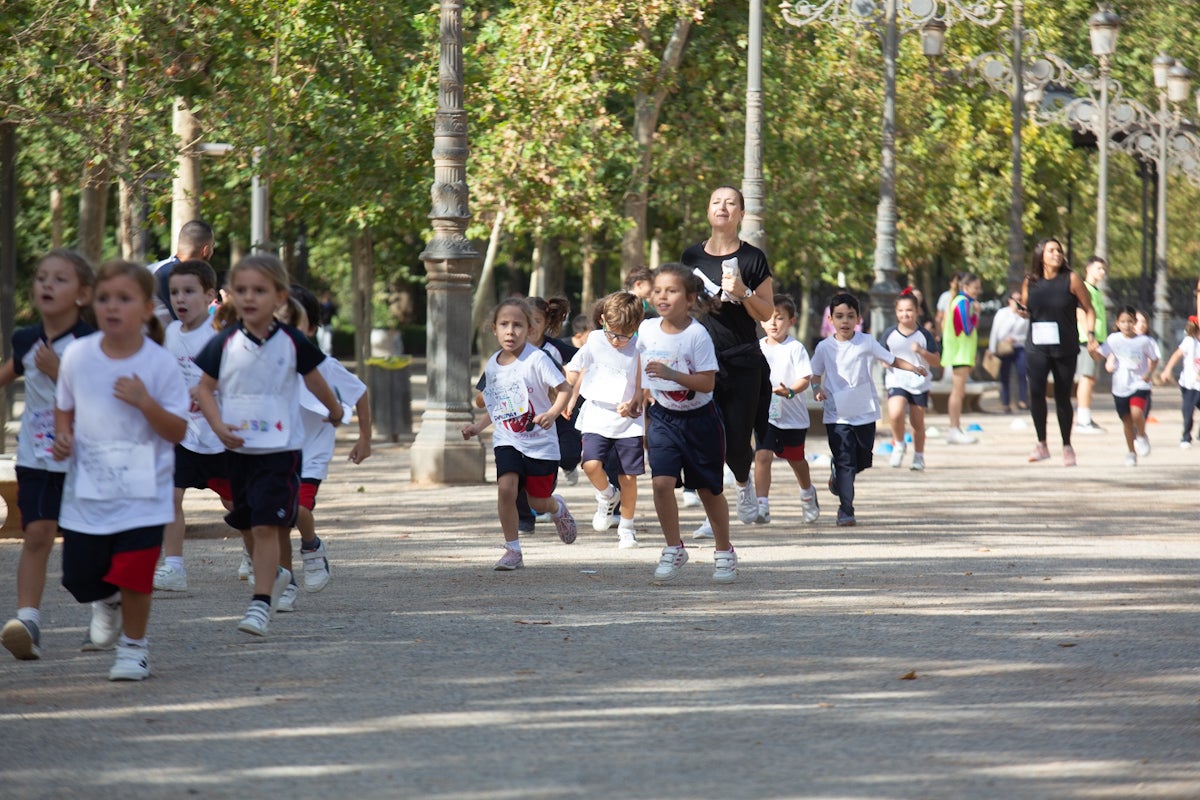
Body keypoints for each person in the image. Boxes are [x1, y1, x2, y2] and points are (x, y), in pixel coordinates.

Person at [192, 254, 343, 637]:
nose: (249, 297)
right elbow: (204, 389)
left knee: (265, 526)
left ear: (279, 297)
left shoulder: (292, 341)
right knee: (248, 522)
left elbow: (315, 378)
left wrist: (335, 408)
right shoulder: (224, 342)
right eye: (241, 290)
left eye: (259, 290)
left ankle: (260, 604)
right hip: (238, 453)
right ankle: (275, 577)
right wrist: (217, 425)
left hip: (280, 452)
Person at [53, 260, 189, 681]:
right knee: (79, 577)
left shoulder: (159, 363)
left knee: (134, 574)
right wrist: (63, 435)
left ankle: (134, 649)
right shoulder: (78, 355)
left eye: (124, 299)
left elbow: (178, 429)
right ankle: (107, 601)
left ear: (147, 308)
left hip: (144, 493)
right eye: (104, 298)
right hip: (89, 492)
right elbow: (64, 406)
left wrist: (145, 402)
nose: (112, 307)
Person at [0, 250, 95, 661]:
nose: (47, 285)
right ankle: (28, 623)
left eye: (59, 279)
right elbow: (9, 373)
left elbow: (104, 399)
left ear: (83, 294)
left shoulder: (92, 343)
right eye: (41, 278)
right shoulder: (26, 338)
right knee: (37, 533)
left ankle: (107, 606)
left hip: (85, 458)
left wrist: (60, 372)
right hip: (36, 455)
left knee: (86, 544)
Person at [681, 186, 774, 534]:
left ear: (741, 214)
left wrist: (743, 292)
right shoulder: (691, 256)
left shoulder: (753, 258)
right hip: (701, 362)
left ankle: (743, 481)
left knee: (736, 444)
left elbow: (767, 312)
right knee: (706, 440)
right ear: (708, 211)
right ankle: (713, 514)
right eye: (716, 202)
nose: (723, 207)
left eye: (731, 203)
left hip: (742, 360)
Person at [461, 298, 578, 570]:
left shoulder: (537, 359)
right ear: (494, 329)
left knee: (537, 501)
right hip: (508, 439)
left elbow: (564, 389)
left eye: (518, 325)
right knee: (506, 489)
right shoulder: (493, 364)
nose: (510, 331)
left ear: (529, 330)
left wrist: (552, 414)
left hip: (540, 443)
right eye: (504, 324)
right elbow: (498, 405)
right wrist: (477, 427)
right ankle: (513, 549)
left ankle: (557, 508)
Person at [637, 264, 736, 583]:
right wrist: (639, 394)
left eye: (672, 290)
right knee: (661, 483)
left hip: (700, 420)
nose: (662, 296)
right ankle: (673, 547)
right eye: (657, 291)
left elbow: (707, 383)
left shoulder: (697, 335)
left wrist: (672, 374)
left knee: (708, 490)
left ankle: (724, 551)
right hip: (663, 417)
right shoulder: (647, 329)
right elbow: (639, 364)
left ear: (690, 298)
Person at [275, 285, 371, 605]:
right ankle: (286, 584)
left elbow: (360, 393)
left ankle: (312, 546)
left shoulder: (325, 366)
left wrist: (365, 439)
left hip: (311, 455)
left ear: (312, 329)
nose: (285, 330)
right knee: (279, 522)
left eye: (294, 323)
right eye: (279, 321)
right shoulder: (264, 364)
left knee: (297, 510)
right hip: (274, 454)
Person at [810, 292, 928, 527]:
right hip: (837, 415)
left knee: (862, 459)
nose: (845, 321)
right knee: (846, 461)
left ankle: (838, 475)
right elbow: (814, 374)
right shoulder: (824, 347)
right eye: (839, 316)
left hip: (864, 411)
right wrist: (816, 388)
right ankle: (846, 510)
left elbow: (892, 359)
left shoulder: (866, 342)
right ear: (831, 320)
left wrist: (913, 368)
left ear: (858, 319)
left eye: (850, 316)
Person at [153, 259, 232, 593]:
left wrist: (206, 391)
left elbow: (236, 376)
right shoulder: (170, 333)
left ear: (210, 295)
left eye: (189, 291)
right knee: (170, 496)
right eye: (174, 293)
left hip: (221, 435)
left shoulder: (220, 335)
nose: (180, 299)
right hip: (183, 434)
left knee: (237, 505)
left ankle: (253, 556)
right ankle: (174, 567)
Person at [564, 292, 645, 548]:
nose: (617, 340)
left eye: (625, 335)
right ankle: (607, 496)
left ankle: (627, 527)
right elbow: (578, 369)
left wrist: (633, 402)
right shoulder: (595, 340)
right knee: (590, 464)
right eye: (612, 333)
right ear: (602, 321)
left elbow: (644, 386)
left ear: (636, 327)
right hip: (596, 414)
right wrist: (568, 396)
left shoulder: (640, 348)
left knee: (628, 477)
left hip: (628, 420)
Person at [1019, 238, 1099, 466]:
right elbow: (1027, 308)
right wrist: (1022, 312)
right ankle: (1041, 443)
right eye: (1051, 250)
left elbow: (1089, 309)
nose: (1057, 254)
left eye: (1059, 250)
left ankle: (1067, 445)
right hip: (1037, 345)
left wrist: (1090, 334)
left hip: (1065, 346)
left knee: (1062, 396)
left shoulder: (1071, 279)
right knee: (1036, 392)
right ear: (1041, 255)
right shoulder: (1030, 281)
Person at [752, 294, 819, 525]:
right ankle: (762, 505)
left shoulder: (795, 348)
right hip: (765, 415)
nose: (773, 323)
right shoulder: (756, 348)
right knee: (762, 456)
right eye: (768, 317)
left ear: (791, 321)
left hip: (792, 416)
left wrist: (789, 391)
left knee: (796, 459)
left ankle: (807, 493)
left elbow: (805, 379)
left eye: (779, 318)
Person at [880, 289, 941, 472]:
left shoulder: (924, 335)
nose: (905, 314)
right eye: (901, 310)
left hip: (919, 383)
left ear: (917, 311)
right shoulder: (889, 334)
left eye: (909, 310)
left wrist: (921, 352)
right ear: (896, 312)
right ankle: (899, 444)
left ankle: (919, 456)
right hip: (896, 380)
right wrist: (885, 362)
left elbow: (936, 361)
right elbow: (881, 355)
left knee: (917, 422)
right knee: (895, 414)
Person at [1098, 305, 1158, 466]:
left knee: (1136, 412)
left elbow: (1154, 359)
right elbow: (1099, 354)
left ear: (1135, 322)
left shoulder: (1144, 341)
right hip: (1120, 386)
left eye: (1130, 321)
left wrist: (1149, 373)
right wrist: (1092, 349)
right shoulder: (1113, 339)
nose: (1126, 325)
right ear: (1117, 323)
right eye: (1123, 322)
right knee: (1127, 422)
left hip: (1139, 383)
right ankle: (1131, 452)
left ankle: (1142, 436)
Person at [147, 220, 215, 326]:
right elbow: (190, 323)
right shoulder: (169, 274)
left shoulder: (157, 269)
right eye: (212, 246)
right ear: (205, 250)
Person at [941, 272, 981, 444]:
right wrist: (976, 314)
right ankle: (953, 429)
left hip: (963, 353)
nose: (978, 291)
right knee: (957, 392)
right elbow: (967, 328)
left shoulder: (962, 301)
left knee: (960, 391)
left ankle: (956, 427)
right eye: (975, 287)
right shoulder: (962, 302)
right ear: (966, 287)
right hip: (960, 354)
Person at [1074, 257, 1108, 434]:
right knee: (1086, 378)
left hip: (1096, 339)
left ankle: (1086, 415)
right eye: (1099, 268)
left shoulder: (1095, 291)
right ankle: (1082, 420)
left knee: (1091, 379)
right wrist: (1090, 336)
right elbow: (1081, 313)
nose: (1102, 272)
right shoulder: (1085, 288)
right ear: (1088, 268)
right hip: (1088, 339)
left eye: (1103, 269)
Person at [1157, 315, 1200, 447]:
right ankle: (1186, 437)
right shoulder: (1190, 341)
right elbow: (1177, 355)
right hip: (1189, 384)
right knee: (1188, 411)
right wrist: (1167, 370)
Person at [988, 291, 1029, 413]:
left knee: (1022, 372)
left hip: (1019, 346)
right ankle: (1005, 402)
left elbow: (1027, 334)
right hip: (1004, 347)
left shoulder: (1024, 314)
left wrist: (1015, 338)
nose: (1017, 302)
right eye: (1015, 299)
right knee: (1004, 374)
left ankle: (1023, 400)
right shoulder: (1002, 313)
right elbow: (996, 331)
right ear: (1009, 300)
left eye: (1019, 299)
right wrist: (992, 349)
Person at [317, 290, 337, 356]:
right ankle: (322, 357)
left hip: (328, 325)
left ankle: (328, 357)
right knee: (321, 344)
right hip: (321, 326)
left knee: (328, 345)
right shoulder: (319, 304)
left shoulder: (331, 305)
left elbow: (334, 314)